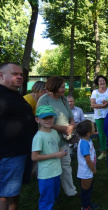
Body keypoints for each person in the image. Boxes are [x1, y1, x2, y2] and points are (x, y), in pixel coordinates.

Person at [0, 62, 38, 210]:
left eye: (21, 74)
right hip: (8, 154)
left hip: (22, 152)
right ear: (1, 75)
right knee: (4, 194)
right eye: (15, 74)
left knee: (14, 192)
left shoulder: (16, 93)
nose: (20, 77)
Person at [36, 76, 78, 197]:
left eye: (64, 86)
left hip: (64, 140)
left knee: (66, 165)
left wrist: (72, 126)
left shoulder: (64, 99)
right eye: (61, 87)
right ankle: (52, 194)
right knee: (51, 168)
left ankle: (71, 191)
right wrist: (66, 128)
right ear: (53, 86)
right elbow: (44, 122)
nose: (64, 89)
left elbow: (71, 116)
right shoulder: (44, 100)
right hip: (49, 140)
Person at [31, 105, 67, 210]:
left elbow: (55, 146)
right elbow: (34, 157)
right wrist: (55, 155)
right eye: (44, 118)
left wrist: (61, 150)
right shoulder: (38, 137)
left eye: (50, 117)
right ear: (37, 119)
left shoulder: (54, 132)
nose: (48, 120)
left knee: (54, 196)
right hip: (46, 174)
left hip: (56, 171)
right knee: (47, 200)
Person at [76, 120, 99, 210]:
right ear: (89, 133)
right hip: (86, 172)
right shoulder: (84, 144)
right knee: (86, 191)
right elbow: (88, 160)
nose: (95, 128)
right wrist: (93, 169)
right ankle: (85, 207)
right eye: (93, 127)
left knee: (88, 189)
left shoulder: (87, 140)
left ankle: (87, 204)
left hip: (87, 171)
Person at [90, 75, 108, 160]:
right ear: (97, 83)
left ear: (105, 81)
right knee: (102, 134)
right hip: (99, 117)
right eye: (100, 81)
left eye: (103, 80)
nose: (102, 82)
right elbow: (92, 105)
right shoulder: (95, 92)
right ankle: (103, 152)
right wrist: (103, 105)